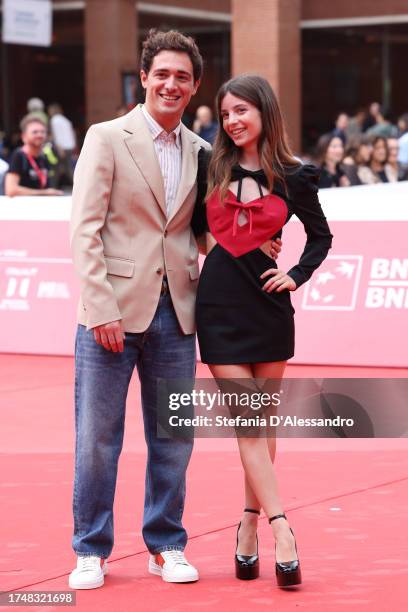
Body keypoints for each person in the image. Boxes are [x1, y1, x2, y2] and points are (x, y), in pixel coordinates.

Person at [67, 29, 284, 591]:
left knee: (173, 436)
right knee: (97, 437)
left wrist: (262, 241)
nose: (171, 84)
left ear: (194, 88)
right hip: (111, 313)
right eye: (161, 73)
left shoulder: (203, 152)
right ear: (144, 78)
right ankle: (90, 547)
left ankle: (165, 544)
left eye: (182, 77)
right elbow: (84, 230)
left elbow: (212, 228)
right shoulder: (106, 137)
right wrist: (100, 307)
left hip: (178, 314)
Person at [195, 75, 333, 587]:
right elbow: (193, 229)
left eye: (241, 111)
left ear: (264, 112)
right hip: (218, 308)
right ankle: (283, 527)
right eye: (225, 113)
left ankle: (247, 525)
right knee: (249, 421)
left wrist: (294, 274)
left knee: (263, 424)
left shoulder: (295, 177)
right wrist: (242, 241)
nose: (231, 121)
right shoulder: (210, 166)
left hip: (270, 309)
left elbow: (321, 239)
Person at [5, 116, 63, 197]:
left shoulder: (43, 157)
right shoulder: (18, 156)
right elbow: (11, 190)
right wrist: (45, 193)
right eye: (35, 132)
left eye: (43, 132)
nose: (39, 135)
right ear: (24, 136)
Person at [48, 103, 76, 187]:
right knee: (68, 168)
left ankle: (53, 186)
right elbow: (72, 134)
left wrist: (59, 148)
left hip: (61, 147)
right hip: (69, 147)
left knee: (57, 168)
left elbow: (56, 135)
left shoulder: (54, 120)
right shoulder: (66, 120)